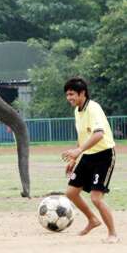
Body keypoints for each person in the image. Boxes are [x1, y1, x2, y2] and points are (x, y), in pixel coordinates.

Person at [62, 77, 118, 244]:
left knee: (96, 197)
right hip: (87, 156)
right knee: (71, 193)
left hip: (104, 156)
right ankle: (93, 220)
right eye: (67, 95)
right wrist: (75, 158)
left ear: (82, 93)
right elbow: (83, 136)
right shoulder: (77, 110)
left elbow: (98, 134)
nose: (69, 98)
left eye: (71, 94)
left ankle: (113, 233)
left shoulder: (93, 108)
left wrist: (78, 150)